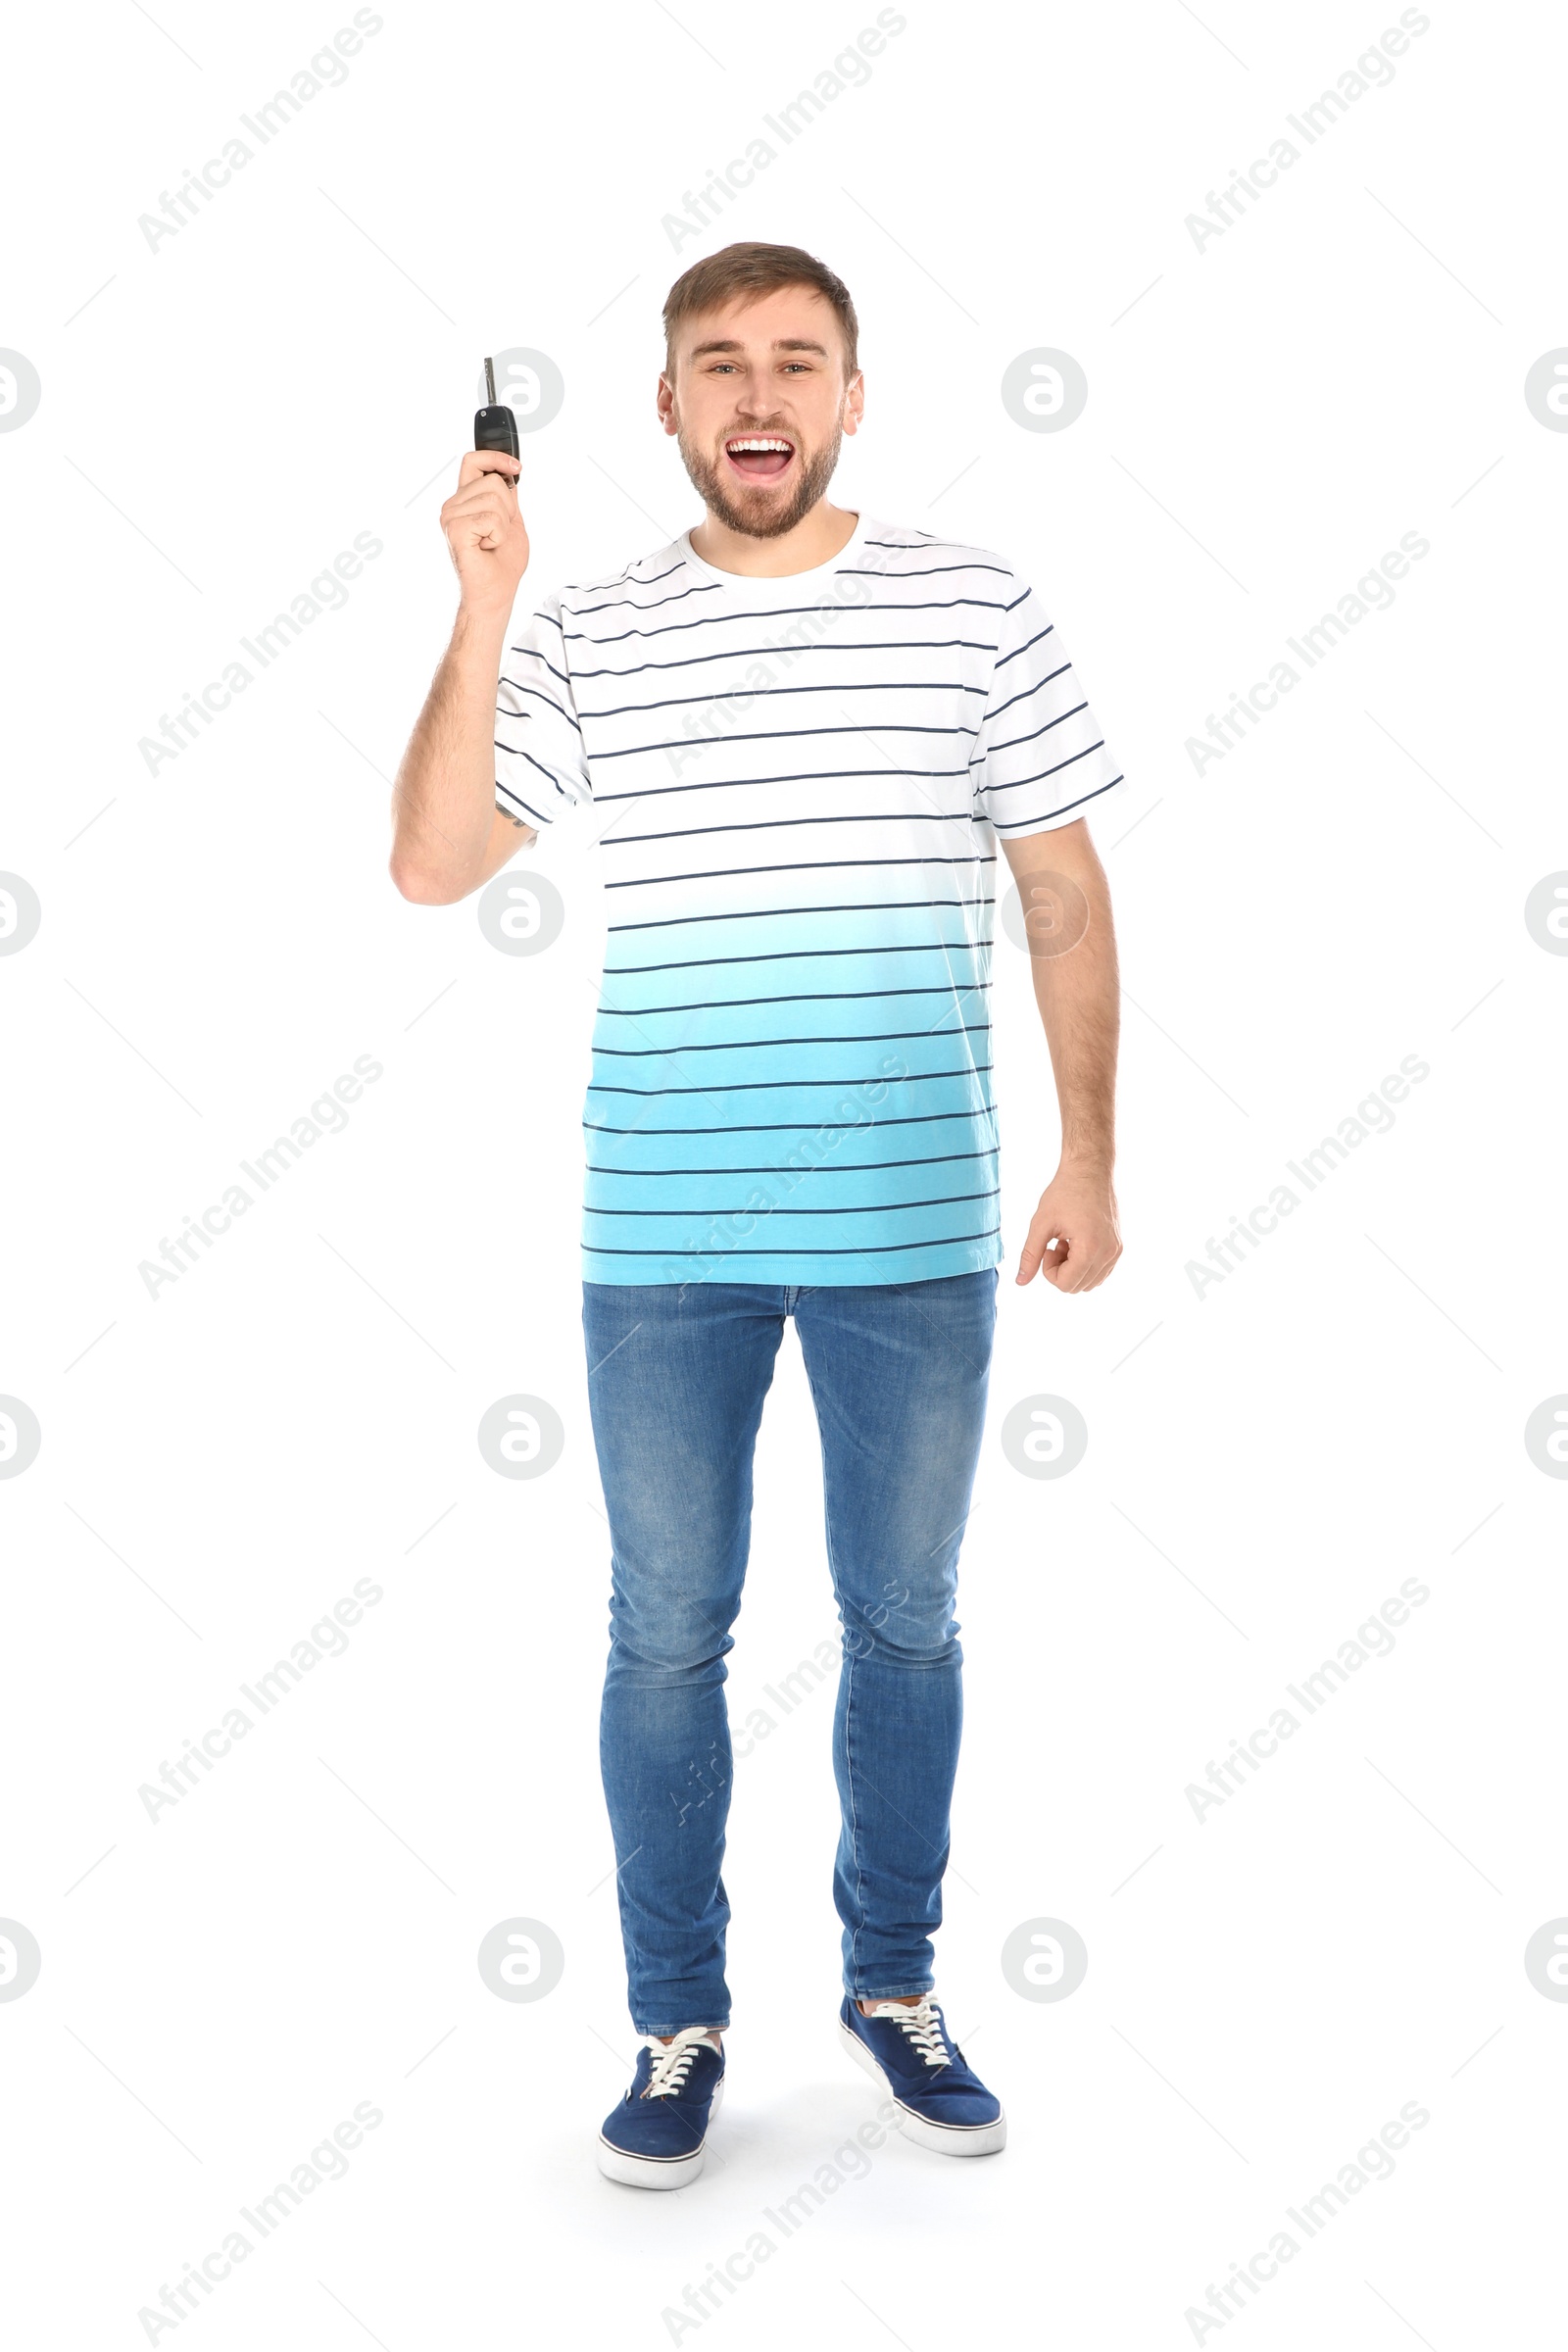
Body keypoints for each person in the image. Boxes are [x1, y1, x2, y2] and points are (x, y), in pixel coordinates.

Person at [390, 240, 1126, 2188]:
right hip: (664, 1232)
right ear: (665, 410)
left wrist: (1091, 1153)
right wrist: (481, 615)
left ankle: (890, 1988)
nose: (754, 391)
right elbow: (430, 862)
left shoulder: (971, 606)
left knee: (902, 1624)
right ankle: (674, 2019)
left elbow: (1058, 888)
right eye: (715, 363)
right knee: (664, 1635)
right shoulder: (596, 629)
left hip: (914, 1225)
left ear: (852, 396)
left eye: (794, 358)